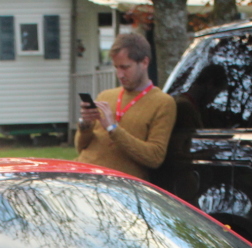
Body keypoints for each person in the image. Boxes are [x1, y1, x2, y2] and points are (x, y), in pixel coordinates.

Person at [75, 33, 176, 180]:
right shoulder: (105, 96)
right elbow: (81, 147)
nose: (120, 74)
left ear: (144, 63)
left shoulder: (163, 103)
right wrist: (85, 126)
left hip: (119, 187)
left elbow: (155, 157)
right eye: (116, 67)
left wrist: (113, 129)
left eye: (125, 67)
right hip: (83, 176)